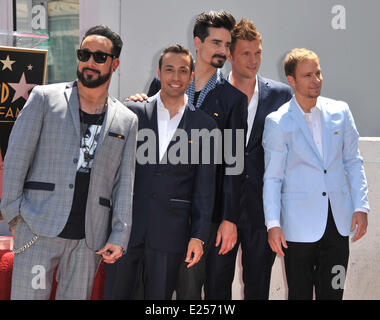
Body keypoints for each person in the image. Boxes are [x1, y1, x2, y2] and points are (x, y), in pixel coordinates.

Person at [0, 25, 138, 300]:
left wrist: (119, 234)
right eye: (84, 54)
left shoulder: (126, 119)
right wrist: (15, 216)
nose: (89, 62)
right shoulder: (44, 98)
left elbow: (125, 183)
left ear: (115, 63)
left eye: (99, 57)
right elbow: (16, 159)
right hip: (38, 228)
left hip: (89, 237)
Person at [127, 10, 247, 300]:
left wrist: (230, 218)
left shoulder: (233, 100)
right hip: (159, 214)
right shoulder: (161, 84)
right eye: (216, 42)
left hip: (208, 215)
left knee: (194, 288)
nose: (223, 50)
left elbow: (234, 164)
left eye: (227, 45)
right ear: (197, 42)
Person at [105, 44, 217, 300]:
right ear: (158, 73)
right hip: (125, 230)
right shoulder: (131, 112)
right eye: (169, 70)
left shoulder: (205, 125)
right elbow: (111, 171)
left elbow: (205, 188)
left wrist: (198, 236)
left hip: (171, 233)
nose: (175, 77)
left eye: (182, 71)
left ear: (191, 77)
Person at [262, 48, 369, 300]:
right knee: (299, 294)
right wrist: (273, 224)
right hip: (297, 229)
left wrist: (361, 206)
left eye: (318, 73)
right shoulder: (278, 121)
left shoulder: (340, 111)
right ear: (292, 80)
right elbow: (273, 178)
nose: (316, 80)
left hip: (338, 225)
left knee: (334, 292)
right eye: (308, 75)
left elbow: (353, 161)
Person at [204, 18, 292, 300]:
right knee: (216, 287)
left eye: (258, 53)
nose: (253, 60)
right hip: (219, 211)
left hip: (261, 211)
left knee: (258, 287)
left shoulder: (281, 95)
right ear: (229, 54)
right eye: (245, 53)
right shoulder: (211, 94)